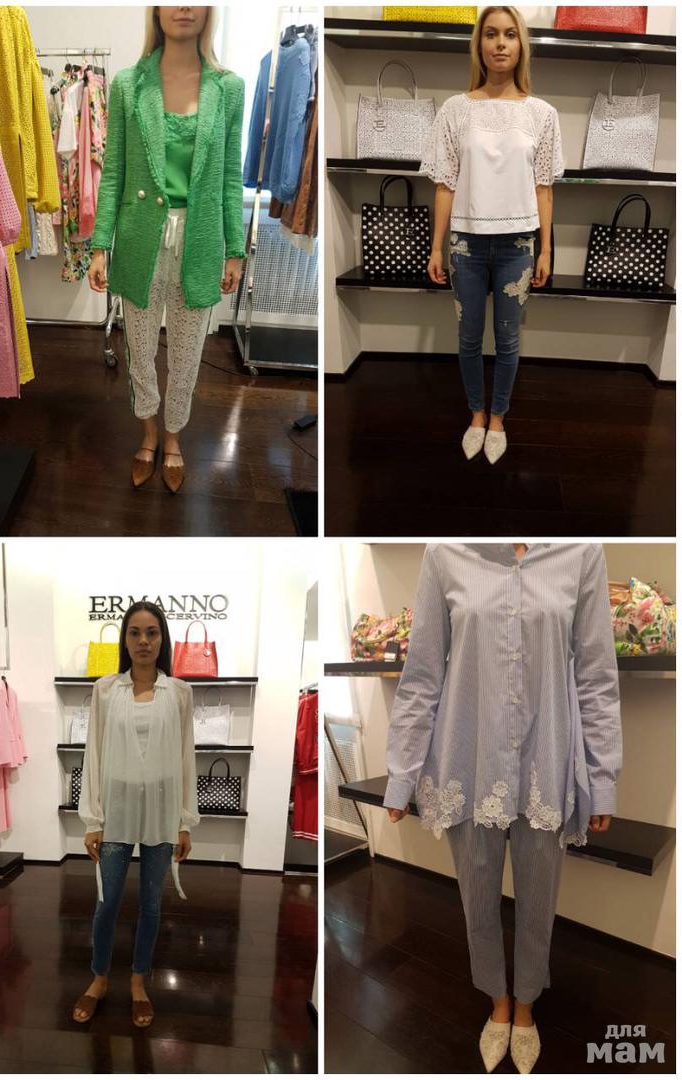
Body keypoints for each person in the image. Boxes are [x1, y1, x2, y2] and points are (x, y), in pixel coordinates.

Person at [384, 543, 621, 1073]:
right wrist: (402, 774)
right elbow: (422, 674)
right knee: (477, 895)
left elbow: (597, 676)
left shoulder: (581, 553)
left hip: (546, 762)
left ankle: (527, 1006)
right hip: (470, 760)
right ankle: (497, 1001)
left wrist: (602, 777)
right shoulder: (445, 554)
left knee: (539, 900)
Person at [88, 7, 246, 493]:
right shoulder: (128, 84)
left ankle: (174, 437)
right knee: (139, 350)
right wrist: (100, 245)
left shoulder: (229, 88)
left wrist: (234, 249)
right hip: (141, 239)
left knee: (187, 352)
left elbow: (230, 177)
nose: (184, 7)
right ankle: (149, 434)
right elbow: (114, 172)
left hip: (200, 241)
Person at [421, 7, 564, 464]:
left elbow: (544, 188)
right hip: (465, 242)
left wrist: (546, 249)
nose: (500, 43)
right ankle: (476, 414)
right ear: (479, 44)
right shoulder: (455, 110)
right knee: (468, 337)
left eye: (510, 35)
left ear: (521, 45)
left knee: (508, 339)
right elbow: (445, 183)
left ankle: (498, 417)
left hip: (518, 244)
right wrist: (436, 246)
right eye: (491, 34)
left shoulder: (542, 114)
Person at [72, 601, 199, 1027]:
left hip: (163, 812)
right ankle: (99, 977)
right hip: (116, 812)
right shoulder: (106, 690)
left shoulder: (179, 692)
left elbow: (185, 758)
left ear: (162, 639)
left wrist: (184, 821)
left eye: (152, 632)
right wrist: (93, 820)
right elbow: (93, 754)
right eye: (135, 632)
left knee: (151, 904)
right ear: (124, 640)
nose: (143, 641)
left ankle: (139, 981)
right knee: (106, 902)